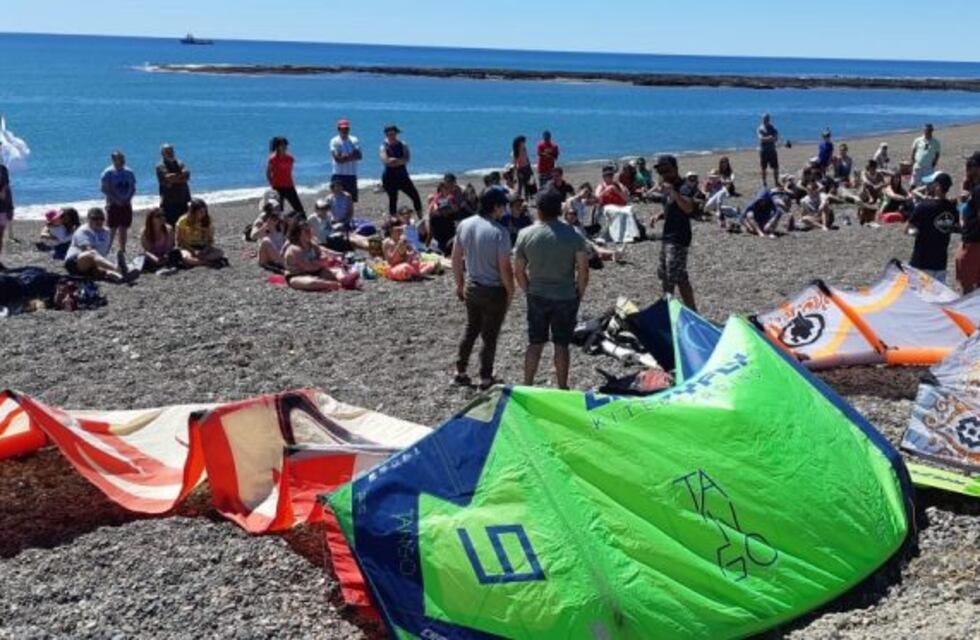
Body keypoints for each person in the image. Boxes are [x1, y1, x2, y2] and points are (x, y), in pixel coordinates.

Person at [514, 187, 589, 389]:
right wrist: (578, 294)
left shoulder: (525, 234)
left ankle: (528, 385)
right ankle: (562, 386)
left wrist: (527, 289)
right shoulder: (573, 235)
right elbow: (583, 271)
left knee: (535, 343)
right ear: (560, 209)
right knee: (562, 345)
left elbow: (518, 270)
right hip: (565, 296)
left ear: (538, 209)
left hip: (537, 294)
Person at [452, 188, 515, 389]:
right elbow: (504, 267)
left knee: (471, 329)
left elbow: (455, 257)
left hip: (472, 285)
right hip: (494, 290)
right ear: (495, 207)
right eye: (503, 206)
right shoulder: (500, 232)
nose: (504, 209)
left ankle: (460, 371)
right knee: (489, 336)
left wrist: (459, 283)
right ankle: (485, 378)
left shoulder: (465, 224)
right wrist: (511, 290)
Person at [653, 155, 698, 310]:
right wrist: (659, 216)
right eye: (661, 171)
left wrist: (674, 192)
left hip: (679, 237)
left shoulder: (685, 186)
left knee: (675, 277)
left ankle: (684, 310)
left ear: (675, 168)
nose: (664, 174)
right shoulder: (667, 187)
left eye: (667, 170)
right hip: (667, 236)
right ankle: (672, 307)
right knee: (668, 275)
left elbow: (688, 208)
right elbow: (670, 209)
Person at [907, 172, 958, 283]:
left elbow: (908, 228)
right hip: (940, 263)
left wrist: (914, 232)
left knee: (918, 296)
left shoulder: (923, 207)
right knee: (937, 297)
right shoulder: (952, 209)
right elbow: (955, 226)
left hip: (921, 261)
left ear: (937, 186)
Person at [64, 208, 134, 282]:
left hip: (92, 265)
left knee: (104, 272)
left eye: (101, 219)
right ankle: (117, 269)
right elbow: (88, 251)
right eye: (95, 219)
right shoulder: (83, 231)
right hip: (75, 262)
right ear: (88, 219)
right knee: (92, 253)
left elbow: (103, 252)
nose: (99, 221)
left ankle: (116, 273)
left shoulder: (106, 232)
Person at [282, 220, 351, 292]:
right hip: (298, 275)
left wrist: (323, 259)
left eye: (310, 231)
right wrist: (321, 263)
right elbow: (307, 267)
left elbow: (321, 255)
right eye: (306, 231)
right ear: (298, 233)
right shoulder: (294, 249)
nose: (310, 233)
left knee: (337, 271)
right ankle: (336, 284)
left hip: (316, 271)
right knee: (311, 282)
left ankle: (345, 280)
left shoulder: (312, 244)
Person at [100, 150, 136, 268]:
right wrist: (116, 200)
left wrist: (128, 198)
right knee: (112, 228)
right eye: (118, 159)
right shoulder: (108, 172)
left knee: (124, 227)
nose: (121, 161)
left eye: (122, 158)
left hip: (126, 203)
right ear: (113, 160)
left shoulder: (129, 172)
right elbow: (104, 189)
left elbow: (133, 187)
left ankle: (122, 249)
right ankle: (106, 249)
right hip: (113, 204)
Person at [379, 125, 422, 219]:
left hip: (402, 176)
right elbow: (386, 161)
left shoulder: (403, 144)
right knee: (393, 199)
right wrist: (398, 161)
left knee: (415, 196)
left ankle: (420, 218)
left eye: (394, 134)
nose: (392, 136)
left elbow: (406, 159)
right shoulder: (383, 146)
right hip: (389, 177)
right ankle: (393, 220)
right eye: (390, 134)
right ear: (386, 134)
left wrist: (395, 161)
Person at [175, 198, 226, 268]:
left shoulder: (207, 220)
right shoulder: (183, 221)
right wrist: (193, 251)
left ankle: (196, 261)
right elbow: (179, 241)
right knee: (186, 258)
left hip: (203, 247)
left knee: (220, 253)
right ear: (193, 212)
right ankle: (206, 263)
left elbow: (210, 239)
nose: (203, 214)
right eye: (201, 212)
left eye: (204, 211)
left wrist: (205, 250)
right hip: (188, 247)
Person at [267, 137, 305, 215]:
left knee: (299, 208)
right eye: (282, 145)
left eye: (285, 145)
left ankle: (304, 224)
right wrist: (272, 185)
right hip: (277, 187)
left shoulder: (290, 158)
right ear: (277, 146)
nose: (285, 147)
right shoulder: (272, 159)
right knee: (278, 210)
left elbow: (288, 173)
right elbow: (268, 173)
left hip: (289, 186)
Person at [156, 144, 191, 226]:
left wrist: (174, 179)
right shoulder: (160, 165)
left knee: (184, 226)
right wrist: (181, 177)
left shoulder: (179, 163)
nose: (170, 153)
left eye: (171, 151)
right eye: (167, 152)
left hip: (183, 199)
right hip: (169, 202)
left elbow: (187, 174)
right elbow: (168, 177)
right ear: (162, 154)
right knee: (170, 227)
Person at [956, 182, 980, 294]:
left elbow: (964, 214)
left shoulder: (977, 190)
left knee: (967, 287)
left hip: (972, 244)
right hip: (972, 242)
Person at [329, 118, 362, 202]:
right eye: (342, 129)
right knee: (336, 199)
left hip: (351, 174)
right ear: (338, 129)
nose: (344, 131)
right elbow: (338, 159)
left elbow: (359, 156)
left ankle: (349, 215)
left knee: (351, 200)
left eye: (346, 129)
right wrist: (351, 155)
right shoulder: (334, 141)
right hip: (338, 174)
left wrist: (345, 157)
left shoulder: (354, 140)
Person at [426, 179, 460, 254]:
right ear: (441, 189)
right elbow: (432, 208)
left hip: (448, 233)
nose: (448, 190)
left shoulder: (450, 198)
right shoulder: (437, 197)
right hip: (439, 225)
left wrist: (450, 206)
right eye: (446, 188)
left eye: (448, 188)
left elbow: (456, 209)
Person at [139, 207, 176, 272]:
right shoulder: (144, 232)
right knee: (142, 258)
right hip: (152, 256)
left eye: (163, 215)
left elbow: (169, 248)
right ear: (151, 219)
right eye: (158, 216)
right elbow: (147, 250)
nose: (162, 217)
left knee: (175, 254)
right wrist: (155, 259)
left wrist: (165, 256)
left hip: (166, 255)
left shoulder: (169, 229)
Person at [757, 113, 780, 187]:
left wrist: (769, 139)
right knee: (763, 168)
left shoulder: (773, 128)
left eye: (766, 119)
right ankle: (764, 182)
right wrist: (770, 138)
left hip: (772, 150)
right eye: (764, 119)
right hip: (764, 151)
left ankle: (776, 182)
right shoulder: (760, 128)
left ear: (769, 119)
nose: (765, 121)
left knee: (776, 168)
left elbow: (776, 138)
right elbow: (761, 139)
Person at [512, 135, 535, 199]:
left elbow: (527, 158)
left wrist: (530, 168)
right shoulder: (515, 152)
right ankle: (518, 199)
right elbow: (515, 164)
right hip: (521, 169)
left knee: (527, 184)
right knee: (520, 185)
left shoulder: (524, 149)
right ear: (519, 142)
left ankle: (526, 199)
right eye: (523, 142)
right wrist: (517, 172)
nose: (524, 143)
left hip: (527, 167)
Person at [0, 152, 14, 259]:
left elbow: (7, 189)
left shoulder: (3, 169)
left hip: (2, 208)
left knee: (0, 235)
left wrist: (11, 207)